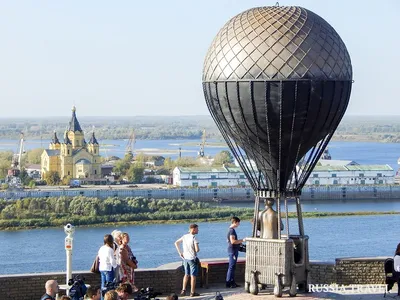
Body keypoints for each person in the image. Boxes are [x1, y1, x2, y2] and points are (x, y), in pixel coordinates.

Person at [174, 223, 200, 297]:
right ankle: (192, 292)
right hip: (192, 258)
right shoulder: (194, 238)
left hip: (185, 258)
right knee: (193, 276)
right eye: (197, 229)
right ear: (193, 229)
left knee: (186, 274)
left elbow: (176, 243)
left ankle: (183, 290)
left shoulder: (184, 236)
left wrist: (180, 253)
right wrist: (195, 250)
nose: (198, 230)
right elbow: (197, 249)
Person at [226, 216, 245, 288]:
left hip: (232, 250)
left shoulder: (229, 230)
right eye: (238, 223)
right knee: (231, 267)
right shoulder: (232, 231)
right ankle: (229, 282)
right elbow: (233, 241)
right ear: (235, 222)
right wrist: (242, 240)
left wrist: (239, 243)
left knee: (232, 267)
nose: (239, 224)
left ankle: (232, 281)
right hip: (233, 251)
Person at [98, 234, 117, 299]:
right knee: (109, 287)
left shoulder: (101, 248)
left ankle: (102, 298)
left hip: (102, 268)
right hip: (108, 269)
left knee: (103, 286)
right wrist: (116, 265)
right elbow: (112, 261)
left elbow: (99, 258)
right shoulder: (110, 249)